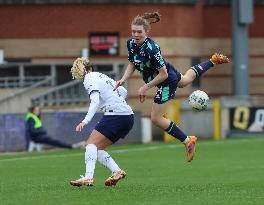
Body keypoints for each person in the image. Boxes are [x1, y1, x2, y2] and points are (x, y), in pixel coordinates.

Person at [114, 12, 230, 162]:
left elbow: (163, 75)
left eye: (139, 32)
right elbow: (132, 63)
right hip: (166, 72)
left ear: (146, 32)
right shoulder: (130, 43)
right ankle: (213, 61)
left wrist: (145, 87)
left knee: (156, 118)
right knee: (186, 80)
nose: (135, 35)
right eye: (133, 31)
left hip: (166, 80)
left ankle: (188, 141)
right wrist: (123, 79)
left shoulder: (152, 48)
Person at [69, 57, 134, 187]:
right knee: (97, 149)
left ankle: (88, 178)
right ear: (91, 67)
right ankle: (117, 171)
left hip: (115, 115)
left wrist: (85, 120)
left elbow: (95, 101)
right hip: (128, 116)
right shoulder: (101, 76)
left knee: (90, 145)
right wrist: (117, 102)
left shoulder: (89, 78)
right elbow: (123, 91)